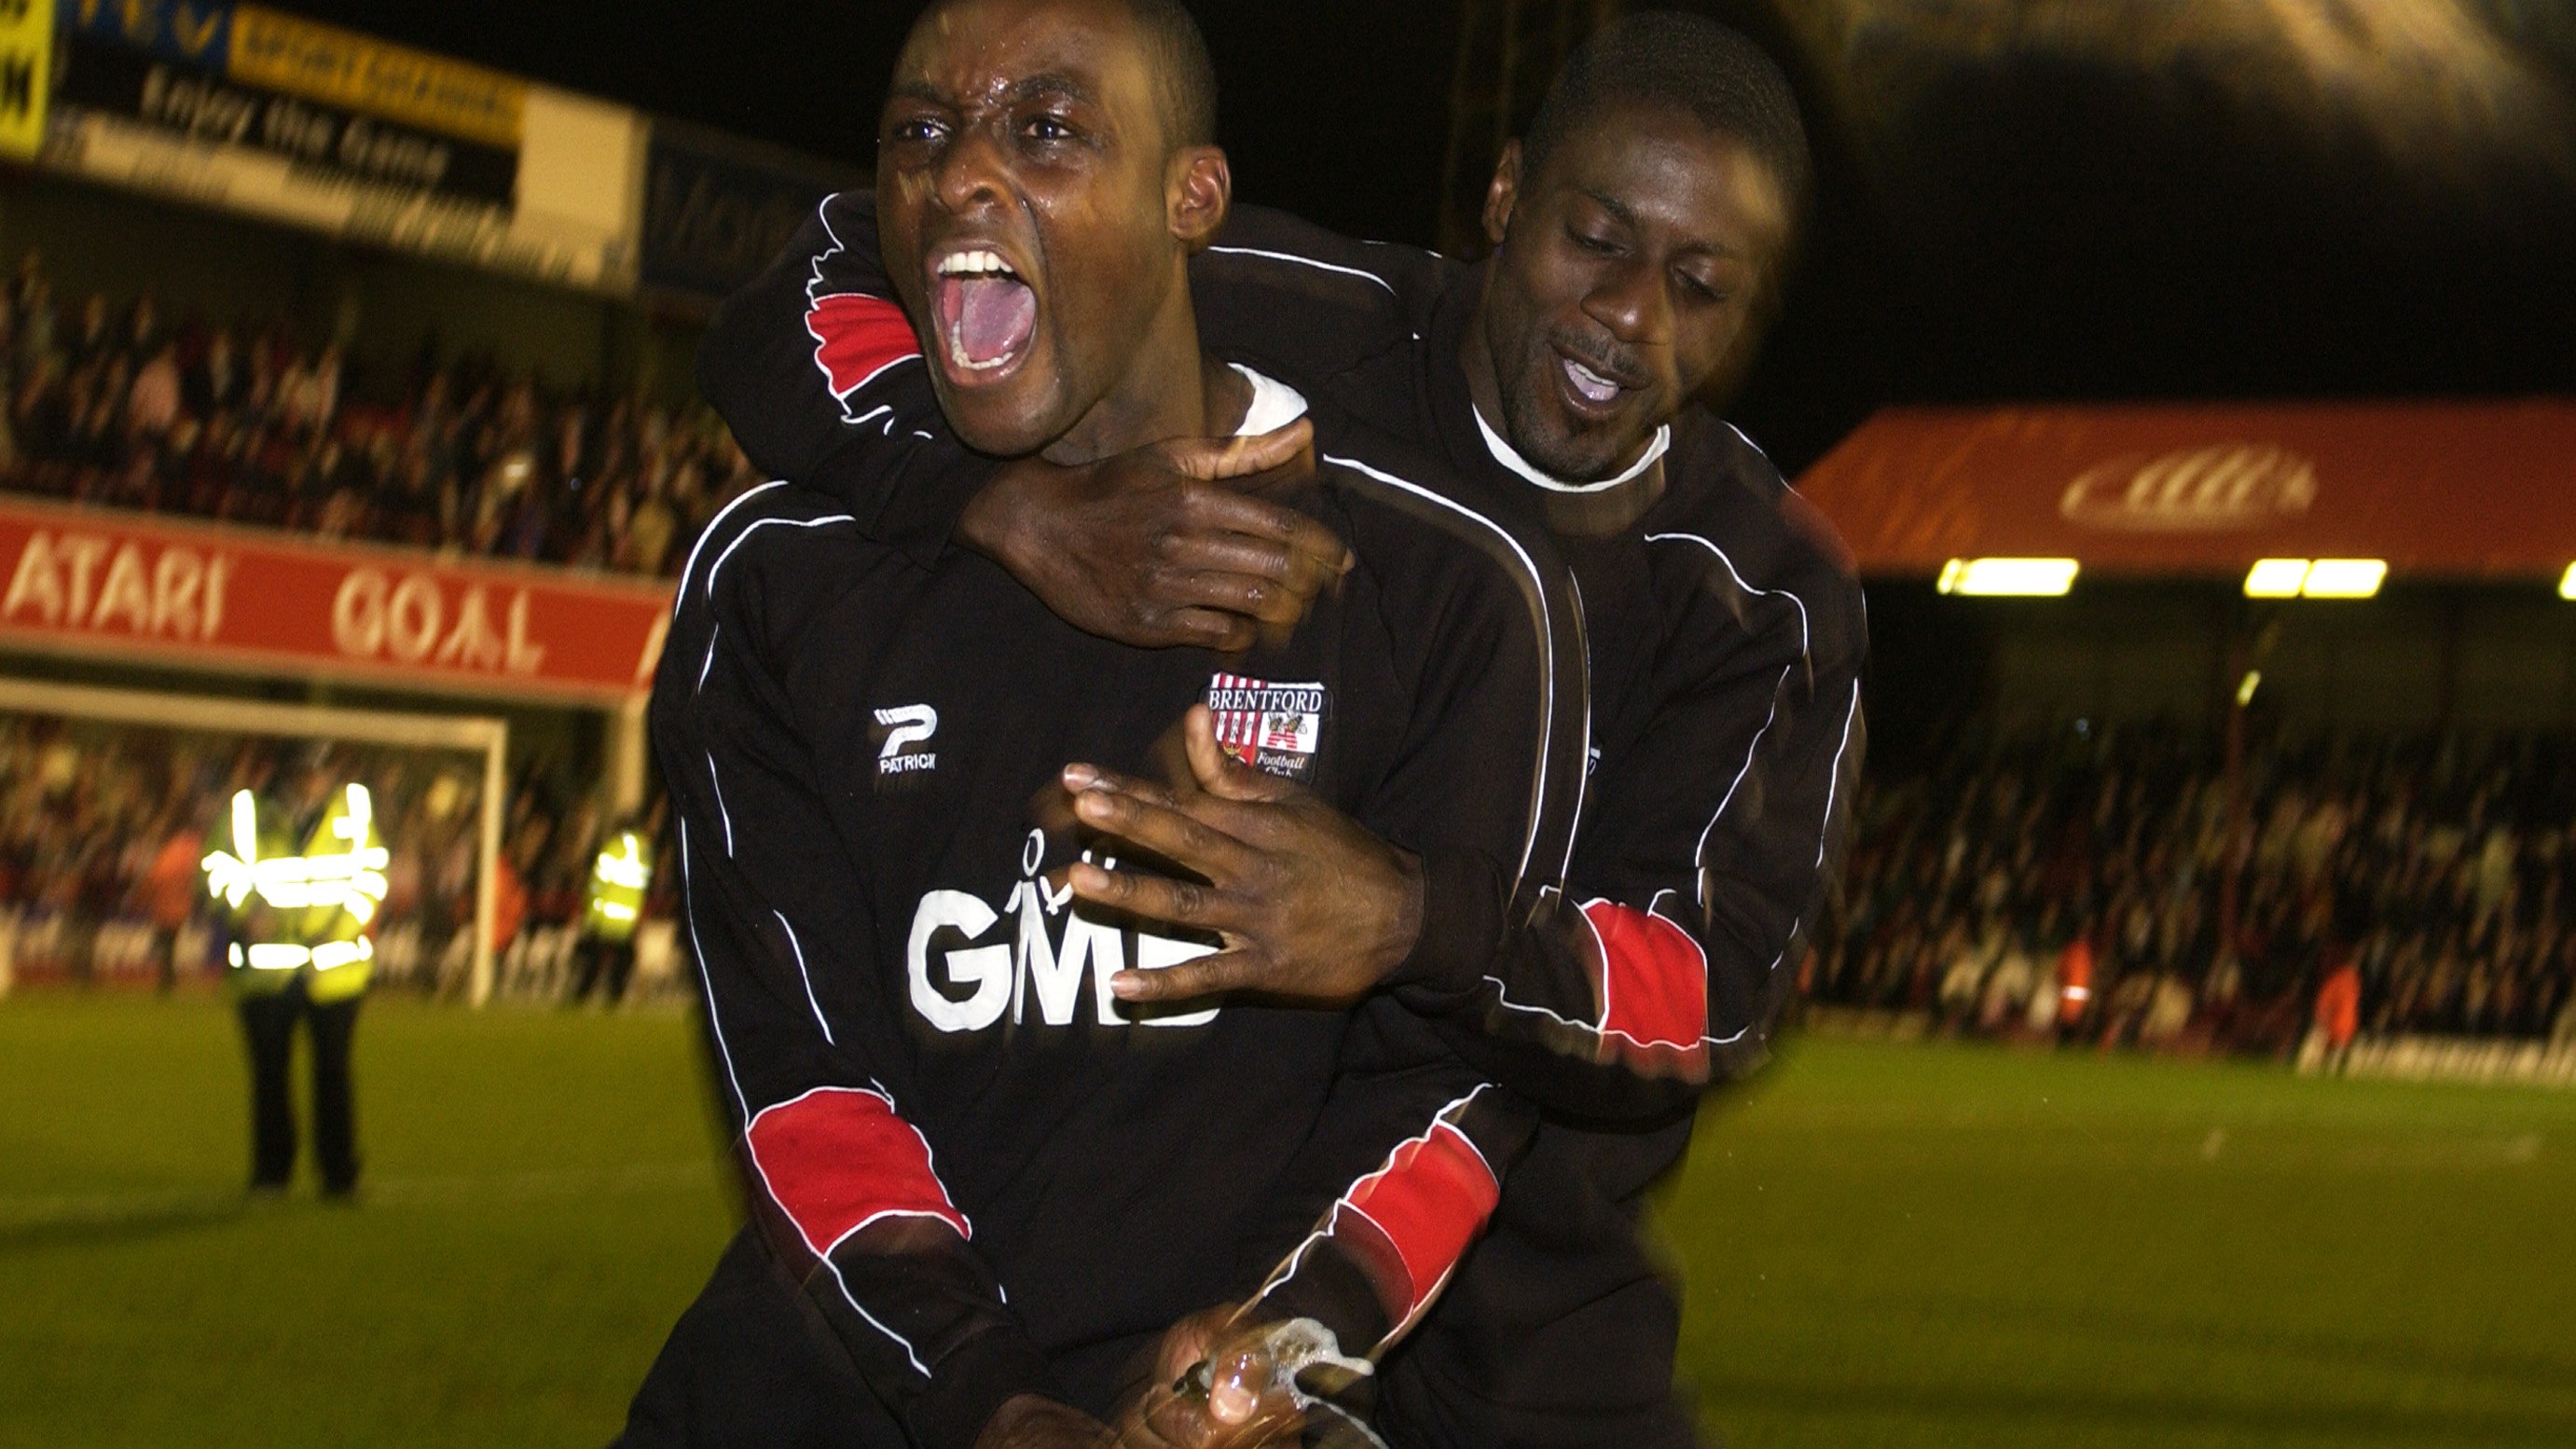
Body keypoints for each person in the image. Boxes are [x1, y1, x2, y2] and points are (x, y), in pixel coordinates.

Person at [700, 12, 1861, 1444]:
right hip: (1174, 1256)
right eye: (1594, 239)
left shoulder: (1754, 593)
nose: (1631, 313)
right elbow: (804, 298)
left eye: (1700, 285)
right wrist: (992, 502)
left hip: (1512, 1307)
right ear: (1504, 199)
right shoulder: (1283, 302)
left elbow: (1707, 983)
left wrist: (1417, 920)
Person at [200, 752, 388, 1198]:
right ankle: (271, 1175)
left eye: (321, 772)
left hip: (334, 969)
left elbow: (373, 878)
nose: (315, 781)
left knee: (334, 1076)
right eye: (307, 772)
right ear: (288, 773)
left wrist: (339, 929)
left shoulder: (354, 811)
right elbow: (214, 870)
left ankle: (340, 1176)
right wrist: (245, 914)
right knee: (269, 1079)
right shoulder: (245, 813)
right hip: (267, 971)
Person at [570, 813, 654, 1006]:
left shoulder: (611, 850)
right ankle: (615, 998)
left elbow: (596, 885)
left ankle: (580, 999)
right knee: (623, 962)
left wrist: (589, 915)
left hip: (606, 917)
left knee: (594, 962)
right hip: (628, 920)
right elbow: (643, 888)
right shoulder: (644, 853)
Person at [140, 807, 204, 994]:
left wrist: (146, 896)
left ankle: (166, 980)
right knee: (169, 945)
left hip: (166, 908)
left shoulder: (170, 852)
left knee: (166, 945)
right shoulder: (187, 849)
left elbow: (156, 877)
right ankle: (168, 979)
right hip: (177, 907)